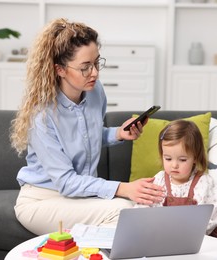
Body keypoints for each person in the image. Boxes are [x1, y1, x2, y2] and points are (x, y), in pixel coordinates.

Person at [9, 18, 165, 235]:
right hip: (43, 199)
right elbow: (66, 182)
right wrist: (123, 188)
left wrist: (118, 133)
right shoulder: (42, 116)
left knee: (135, 210)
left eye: (96, 63)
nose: (95, 73)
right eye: (85, 67)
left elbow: (85, 136)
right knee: (123, 209)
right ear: (60, 69)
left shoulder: (95, 92)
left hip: (80, 196)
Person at [135, 119, 217, 238]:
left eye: (182, 160)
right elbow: (143, 205)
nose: (174, 165)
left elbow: (214, 216)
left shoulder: (205, 182)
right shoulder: (159, 180)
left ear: (195, 158)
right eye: (168, 158)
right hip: (164, 236)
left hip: (199, 237)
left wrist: (192, 232)